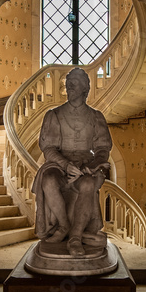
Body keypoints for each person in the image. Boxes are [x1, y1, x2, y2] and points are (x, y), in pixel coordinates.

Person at [32, 67, 112, 257]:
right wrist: (66, 164)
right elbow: (48, 148)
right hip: (59, 164)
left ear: (85, 88)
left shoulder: (96, 117)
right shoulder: (54, 115)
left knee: (88, 183)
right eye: (68, 83)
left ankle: (75, 237)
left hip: (86, 165)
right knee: (48, 179)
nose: (69, 86)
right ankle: (64, 226)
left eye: (75, 83)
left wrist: (93, 166)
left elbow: (102, 148)